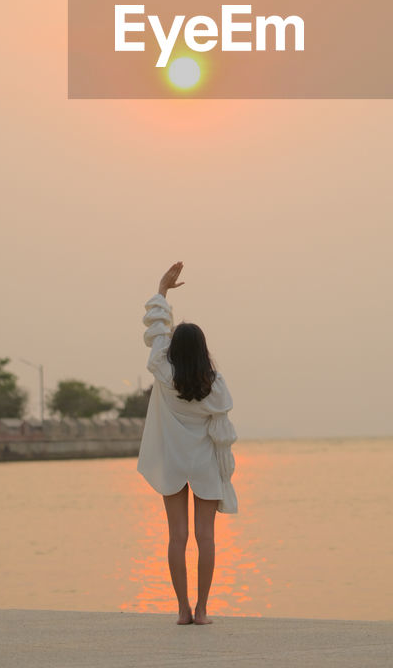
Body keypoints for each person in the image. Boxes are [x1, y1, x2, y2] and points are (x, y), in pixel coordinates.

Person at [136, 261, 238, 625]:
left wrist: (162, 289)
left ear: (176, 350)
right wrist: (226, 474)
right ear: (203, 350)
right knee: (205, 537)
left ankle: (181, 610)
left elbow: (157, 332)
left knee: (176, 536)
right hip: (204, 464)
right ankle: (203, 610)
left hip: (173, 462)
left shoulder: (164, 373)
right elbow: (222, 434)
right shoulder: (214, 384)